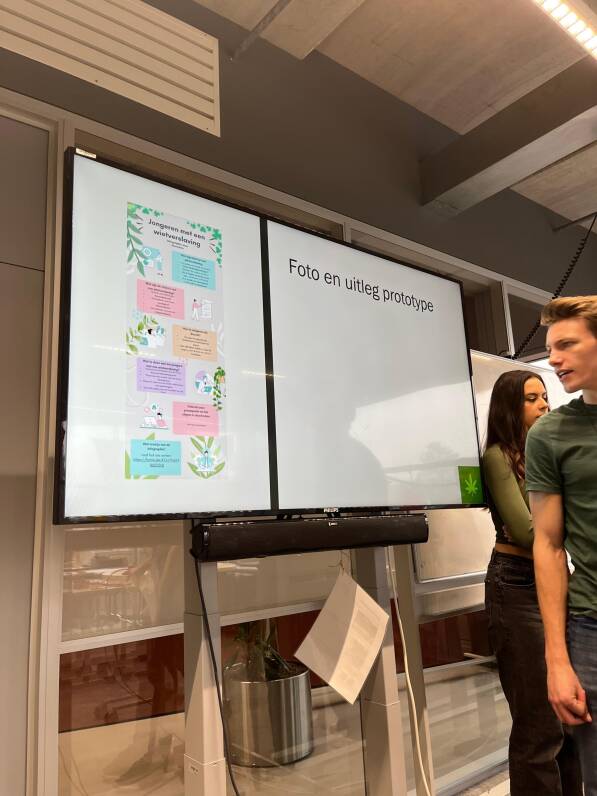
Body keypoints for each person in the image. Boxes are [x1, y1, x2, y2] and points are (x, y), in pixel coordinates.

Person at [483, 370, 582, 795]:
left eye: (544, 396)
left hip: (556, 581)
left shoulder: (544, 452)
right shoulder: (498, 457)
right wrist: (571, 523)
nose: (544, 404)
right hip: (516, 585)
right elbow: (526, 532)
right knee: (539, 724)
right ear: (510, 406)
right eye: (531, 398)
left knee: (570, 717)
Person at [526, 295, 597, 794]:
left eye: (566, 344)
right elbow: (548, 546)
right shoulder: (550, 435)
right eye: (551, 348)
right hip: (592, 625)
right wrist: (557, 659)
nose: (553, 358)